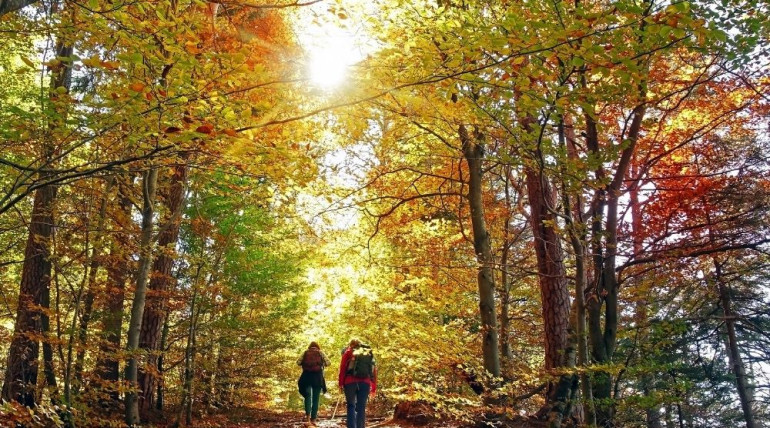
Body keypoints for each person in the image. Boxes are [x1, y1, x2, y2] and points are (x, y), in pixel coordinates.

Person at [338, 338, 377, 428]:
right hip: (365, 382)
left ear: (351, 345)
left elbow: (342, 368)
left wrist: (340, 383)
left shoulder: (348, 352)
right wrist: (373, 387)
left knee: (351, 405)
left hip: (350, 382)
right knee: (361, 407)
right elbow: (373, 370)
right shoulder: (367, 353)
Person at [297, 341, 331, 425]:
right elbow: (328, 363)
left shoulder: (305, 352)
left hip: (306, 377)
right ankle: (313, 419)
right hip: (317, 377)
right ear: (317, 346)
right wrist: (321, 364)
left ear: (309, 347)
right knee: (316, 398)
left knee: (308, 396)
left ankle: (308, 417)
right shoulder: (320, 352)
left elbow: (298, 362)